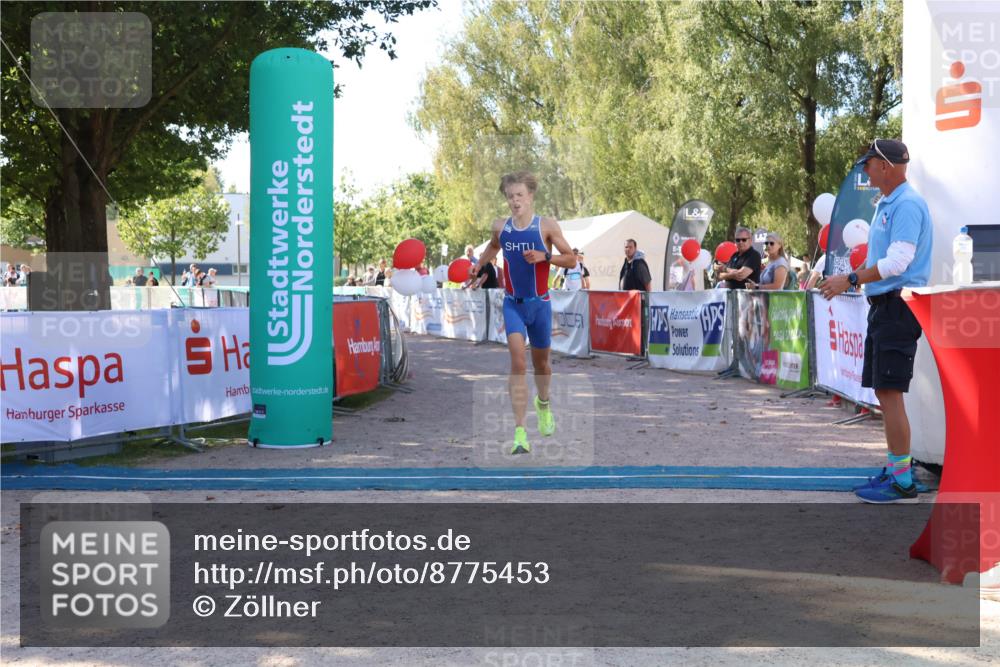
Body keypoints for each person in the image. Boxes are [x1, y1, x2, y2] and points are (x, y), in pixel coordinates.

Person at [821, 138, 933, 504]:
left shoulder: (907, 204)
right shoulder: (890, 202)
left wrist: (851, 279)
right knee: (887, 394)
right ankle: (897, 469)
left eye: (868, 163)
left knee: (891, 394)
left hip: (898, 307)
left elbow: (898, 263)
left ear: (886, 165)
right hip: (886, 306)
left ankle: (903, 481)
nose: (864, 170)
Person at [470, 171, 576, 455]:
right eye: (510, 196)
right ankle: (520, 433)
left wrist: (547, 256)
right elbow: (494, 247)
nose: (515, 201)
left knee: (542, 366)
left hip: (540, 304)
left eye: (519, 195)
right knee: (518, 363)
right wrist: (479, 265)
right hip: (513, 303)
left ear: (530, 197)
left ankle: (543, 404)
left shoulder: (546, 226)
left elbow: (572, 259)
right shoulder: (501, 227)